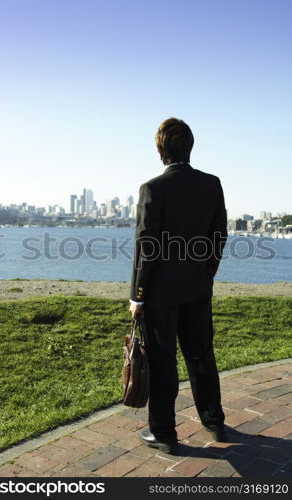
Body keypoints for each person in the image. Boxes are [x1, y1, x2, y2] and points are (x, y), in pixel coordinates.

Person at [129, 117, 228, 454]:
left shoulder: (152, 189)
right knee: (201, 354)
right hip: (198, 288)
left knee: (162, 360)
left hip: (160, 293)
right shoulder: (212, 184)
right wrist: (207, 272)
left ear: (160, 149)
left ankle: (163, 433)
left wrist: (137, 297)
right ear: (190, 146)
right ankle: (213, 420)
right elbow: (219, 235)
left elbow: (147, 247)